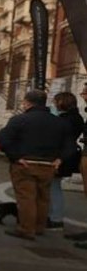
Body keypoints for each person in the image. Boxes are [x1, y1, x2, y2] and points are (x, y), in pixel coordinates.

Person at [0, 90, 71, 241]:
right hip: (48, 164)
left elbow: (4, 139)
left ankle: (26, 228)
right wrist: (60, 159)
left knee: (26, 197)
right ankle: (39, 226)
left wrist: (15, 156)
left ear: (27, 102)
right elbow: (69, 145)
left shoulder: (20, 120)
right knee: (43, 197)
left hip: (25, 163)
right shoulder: (59, 122)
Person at [47, 92, 83, 231]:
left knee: (53, 187)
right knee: (53, 186)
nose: (54, 104)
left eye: (56, 101)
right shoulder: (75, 117)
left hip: (60, 156)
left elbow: (62, 138)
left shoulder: (67, 119)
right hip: (65, 156)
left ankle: (55, 218)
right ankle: (54, 216)